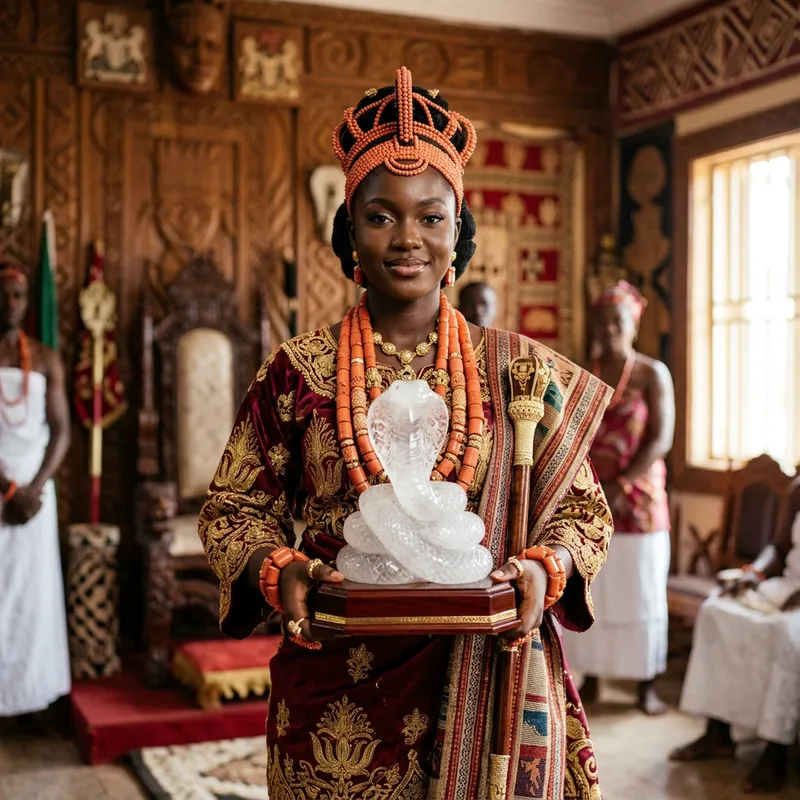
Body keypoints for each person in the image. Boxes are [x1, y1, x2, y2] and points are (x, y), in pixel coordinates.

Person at [199, 67, 613, 799]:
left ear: (459, 233)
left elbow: (585, 515)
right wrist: (280, 569)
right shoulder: (297, 371)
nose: (407, 239)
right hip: (336, 686)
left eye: (430, 216)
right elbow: (234, 509)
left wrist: (543, 571)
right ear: (349, 231)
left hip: (486, 674)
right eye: (381, 216)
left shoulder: (517, 372)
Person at [561, 281, 675, 715]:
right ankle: (592, 679)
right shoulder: (580, 372)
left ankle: (646, 685)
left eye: (618, 321)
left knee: (641, 591)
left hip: (638, 500)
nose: (609, 329)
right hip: (590, 501)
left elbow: (660, 437)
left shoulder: (651, 373)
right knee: (596, 592)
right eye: (602, 322)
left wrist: (622, 484)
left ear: (633, 325)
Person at [670, 503, 800, 794]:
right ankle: (718, 732)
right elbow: (778, 548)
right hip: (786, 586)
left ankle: (775, 749)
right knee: (716, 611)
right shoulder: (797, 488)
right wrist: (754, 573)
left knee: (786, 633)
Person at [0, 260, 71, 720]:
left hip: (35, 496)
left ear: (28, 302)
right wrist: (7, 489)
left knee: (31, 596)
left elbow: (61, 431)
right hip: (3, 490)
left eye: (19, 296)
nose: (11, 303)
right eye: (4, 294)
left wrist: (33, 488)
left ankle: (29, 696)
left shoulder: (45, 357)